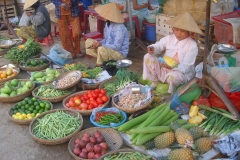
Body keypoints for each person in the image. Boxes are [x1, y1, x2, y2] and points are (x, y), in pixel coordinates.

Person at [143, 12, 203, 94]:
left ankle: (171, 92)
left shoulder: (192, 45)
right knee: (148, 57)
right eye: (176, 30)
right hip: (163, 68)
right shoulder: (169, 38)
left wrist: (172, 67)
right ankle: (155, 80)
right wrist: (153, 48)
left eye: (182, 31)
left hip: (180, 73)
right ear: (173, 29)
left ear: (189, 32)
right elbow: (159, 46)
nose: (178, 33)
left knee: (172, 77)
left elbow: (186, 67)